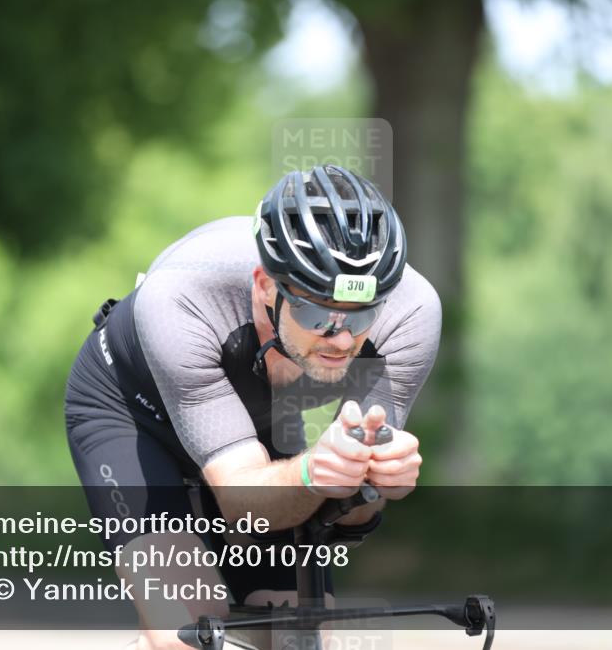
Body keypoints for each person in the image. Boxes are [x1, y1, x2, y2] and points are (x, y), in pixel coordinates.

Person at [64, 165, 440, 649]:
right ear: (265, 286)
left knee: (289, 634)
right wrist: (310, 474)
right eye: (316, 312)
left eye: (361, 314)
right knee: (188, 629)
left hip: (260, 416)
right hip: (134, 415)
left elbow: (346, 517)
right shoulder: (181, 299)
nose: (342, 338)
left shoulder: (411, 314)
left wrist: (370, 481)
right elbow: (242, 500)